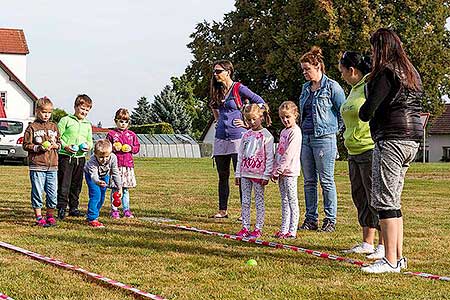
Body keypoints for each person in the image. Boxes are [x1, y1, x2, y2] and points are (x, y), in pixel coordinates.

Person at [359, 28, 423, 273]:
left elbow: (368, 110)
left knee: (384, 200)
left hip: (392, 137)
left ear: (380, 48)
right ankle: (397, 257)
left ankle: (390, 261)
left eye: (373, 48)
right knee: (394, 200)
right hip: (412, 139)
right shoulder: (410, 72)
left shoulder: (385, 72)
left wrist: (364, 104)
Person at [338, 51, 384, 259]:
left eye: (342, 72)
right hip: (353, 151)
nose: (341, 76)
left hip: (369, 148)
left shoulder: (369, 85)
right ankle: (367, 242)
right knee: (361, 197)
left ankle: (383, 245)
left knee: (376, 197)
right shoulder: (353, 90)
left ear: (352, 70)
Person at [209, 59, 266, 219]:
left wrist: (248, 122)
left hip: (238, 139)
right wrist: (217, 120)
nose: (216, 74)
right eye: (214, 71)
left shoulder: (238, 88)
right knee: (222, 175)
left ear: (228, 72)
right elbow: (213, 106)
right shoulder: (217, 90)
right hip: (221, 138)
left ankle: (244, 212)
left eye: (218, 71)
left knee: (240, 175)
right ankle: (222, 210)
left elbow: (260, 102)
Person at [298, 46, 346, 232]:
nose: (304, 73)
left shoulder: (332, 87)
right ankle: (311, 219)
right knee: (309, 180)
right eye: (303, 69)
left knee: (326, 180)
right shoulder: (305, 89)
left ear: (318, 67)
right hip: (306, 138)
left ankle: (330, 219)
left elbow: (344, 111)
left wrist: (335, 132)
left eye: (307, 69)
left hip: (324, 138)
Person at [234, 103, 274, 238]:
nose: (251, 122)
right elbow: (240, 155)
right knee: (245, 201)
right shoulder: (245, 135)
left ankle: (258, 228)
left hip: (258, 175)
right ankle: (245, 227)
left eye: (254, 119)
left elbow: (269, 157)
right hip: (245, 173)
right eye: (248, 120)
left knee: (259, 201)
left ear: (261, 117)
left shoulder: (266, 136)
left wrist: (266, 175)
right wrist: (237, 174)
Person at [22, 97, 61, 227]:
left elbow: (60, 142)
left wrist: (56, 145)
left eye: (49, 112)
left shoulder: (54, 126)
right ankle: (39, 217)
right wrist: (39, 148)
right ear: (37, 110)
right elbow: (26, 145)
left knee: (52, 192)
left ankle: (50, 216)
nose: (46, 115)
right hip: (37, 165)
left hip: (53, 166)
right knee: (37, 191)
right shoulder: (32, 127)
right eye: (44, 112)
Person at [56, 94, 93, 220]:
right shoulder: (65, 120)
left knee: (76, 184)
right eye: (82, 108)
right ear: (76, 107)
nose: (84, 112)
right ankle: (61, 208)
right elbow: (58, 138)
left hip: (80, 158)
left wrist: (88, 147)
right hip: (66, 157)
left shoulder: (88, 124)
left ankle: (73, 208)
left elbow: (90, 141)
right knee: (64, 183)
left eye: (87, 110)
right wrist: (66, 147)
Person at [271, 101, 302, 239]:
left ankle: (292, 230)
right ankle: (284, 229)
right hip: (281, 172)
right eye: (282, 117)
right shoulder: (284, 131)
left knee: (292, 200)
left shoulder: (295, 132)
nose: (285, 120)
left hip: (290, 172)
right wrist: (275, 168)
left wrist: (279, 169)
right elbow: (279, 151)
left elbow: (289, 153)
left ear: (295, 115)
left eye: (288, 117)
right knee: (284, 201)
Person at [106, 108, 140, 219]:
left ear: (128, 123)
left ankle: (126, 209)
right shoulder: (111, 134)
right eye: (120, 121)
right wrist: (113, 148)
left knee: (125, 189)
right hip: (116, 166)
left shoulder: (131, 135)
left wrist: (130, 148)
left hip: (127, 166)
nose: (123, 124)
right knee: (115, 188)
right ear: (116, 121)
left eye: (125, 122)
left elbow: (137, 148)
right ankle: (114, 210)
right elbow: (106, 148)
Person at [84, 139, 122, 228]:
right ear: (95, 154)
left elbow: (115, 172)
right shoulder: (92, 161)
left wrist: (119, 187)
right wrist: (97, 182)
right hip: (92, 177)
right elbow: (93, 175)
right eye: (101, 157)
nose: (104, 160)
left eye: (106, 157)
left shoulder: (113, 157)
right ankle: (92, 218)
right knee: (95, 195)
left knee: (102, 196)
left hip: (104, 174)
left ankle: (93, 214)